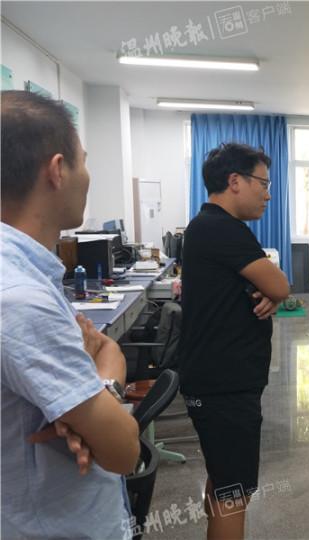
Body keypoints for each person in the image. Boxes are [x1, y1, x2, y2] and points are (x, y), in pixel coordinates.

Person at [1, 90, 140, 538]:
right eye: (84, 161)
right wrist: (106, 379)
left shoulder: (22, 276)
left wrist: (79, 408)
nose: (88, 175)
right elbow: (123, 451)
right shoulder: (21, 300)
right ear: (57, 170)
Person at [179, 142, 290, 540]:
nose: (268, 194)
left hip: (217, 378)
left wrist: (271, 295)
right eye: (263, 183)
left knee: (224, 481)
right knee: (234, 493)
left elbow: (269, 290)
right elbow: (281, 284)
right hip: (224, 384)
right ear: (235, 181)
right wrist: (274, 292)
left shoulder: (207, 226)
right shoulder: (222, 228)